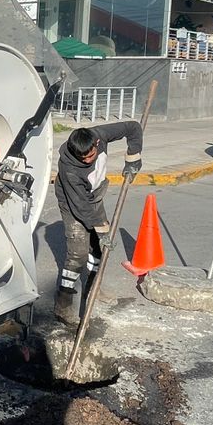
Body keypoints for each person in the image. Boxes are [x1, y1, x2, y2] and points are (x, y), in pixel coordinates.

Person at [53, 121, 143, 325]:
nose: (87, 160)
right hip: (74, 202)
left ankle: (93, 289)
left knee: (99, 249)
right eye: (82, 158)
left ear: (97, 143)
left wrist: (133, 157)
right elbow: (82, 208)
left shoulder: (100, 134)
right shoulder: (70, 170)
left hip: (94, 194)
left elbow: (133, 128)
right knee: (78, 255)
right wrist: (102, 230)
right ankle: (63, 305)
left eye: (90, 155)